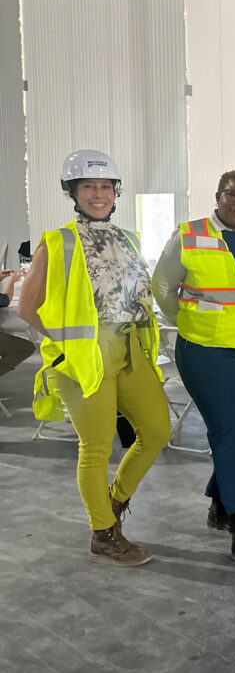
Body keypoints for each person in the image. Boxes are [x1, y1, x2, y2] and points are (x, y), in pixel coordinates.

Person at [18, 150, 170, 566]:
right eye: (88, 186)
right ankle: (103, 535)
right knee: (96, 447)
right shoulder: (58, 241)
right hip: (84, 355)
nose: (98, 194)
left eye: (106, 187)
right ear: (73, 192)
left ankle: (114, 503)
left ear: (116, 192)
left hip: (130, 349)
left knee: (156, 430)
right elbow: (28, 308)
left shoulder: (129, 239)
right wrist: (70, 343)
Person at [153, 171, 235, 561]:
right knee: (229, 429)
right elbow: (162, 286)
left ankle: (220, 504)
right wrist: (190, 323)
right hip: (206, 351)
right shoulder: (189, 235)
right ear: (218, 195)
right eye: (233, 195)